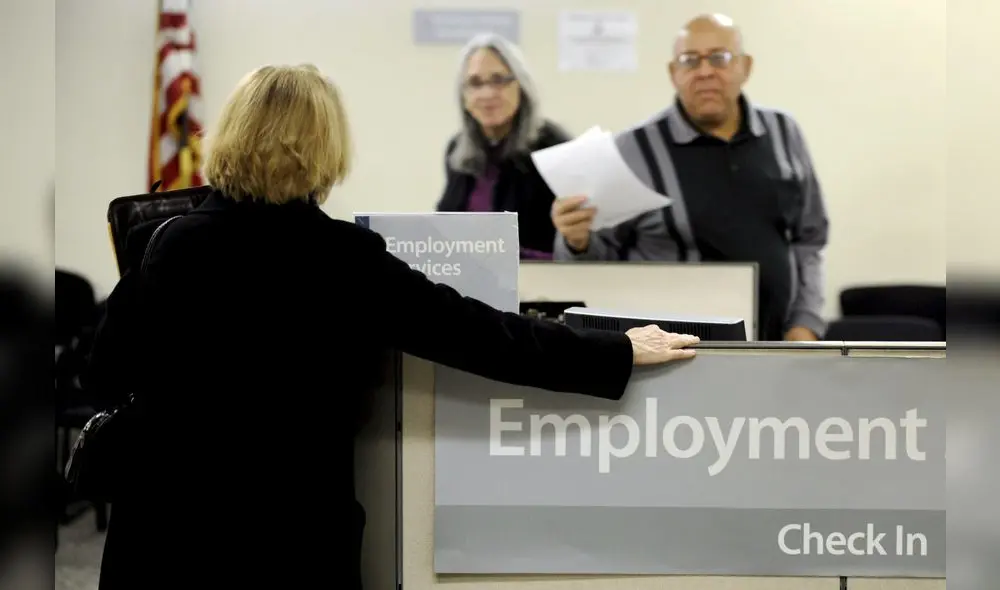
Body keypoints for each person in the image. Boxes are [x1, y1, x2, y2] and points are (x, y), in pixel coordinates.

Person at [84, 64, 700, 590]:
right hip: (297, 537)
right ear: (326, 148)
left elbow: (102, 367)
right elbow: (482, 335)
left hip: (166, 529)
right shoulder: (345, 256)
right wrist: (614, 350)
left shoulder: (169, 242)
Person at [551, 14, 830, 342]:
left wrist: (805, 324)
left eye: (719, 58)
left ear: (746, 67)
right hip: (672, 357)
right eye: (690, 60)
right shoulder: (633, 150)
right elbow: (597, 267)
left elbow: (809, 239)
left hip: (777, 346)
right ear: (674, 73)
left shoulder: (784, 132)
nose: (705, 71)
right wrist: (576, 240)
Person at [435, 33, 570, 260]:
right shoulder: (457, 149)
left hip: (539, 285)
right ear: (464, 96)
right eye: (475, 83)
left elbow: (571, 242)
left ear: (521, 87)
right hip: (465, 281)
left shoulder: (554, 146)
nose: (487, 93)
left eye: (499, 80)